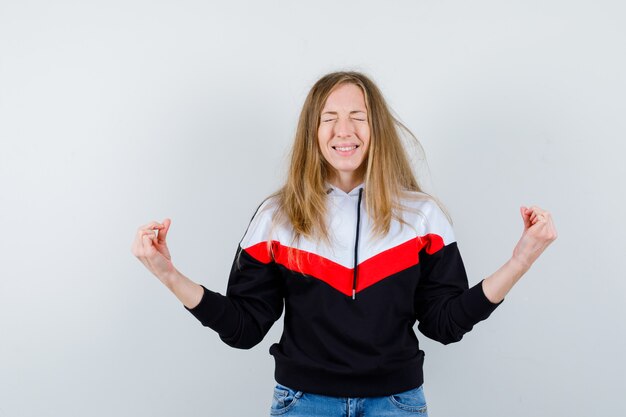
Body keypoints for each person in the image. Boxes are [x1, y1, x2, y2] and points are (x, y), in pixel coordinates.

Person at [131, 71, 557, 416]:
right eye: (329, 116)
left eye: (359, 115)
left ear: (377, 128)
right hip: (302, 403)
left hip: (396, 403)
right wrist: (168, 274)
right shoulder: (275, 218)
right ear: (312, 131)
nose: (344, 130)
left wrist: (520, 261)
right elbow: (244, 328)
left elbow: (443, 324)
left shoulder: (423, 217)